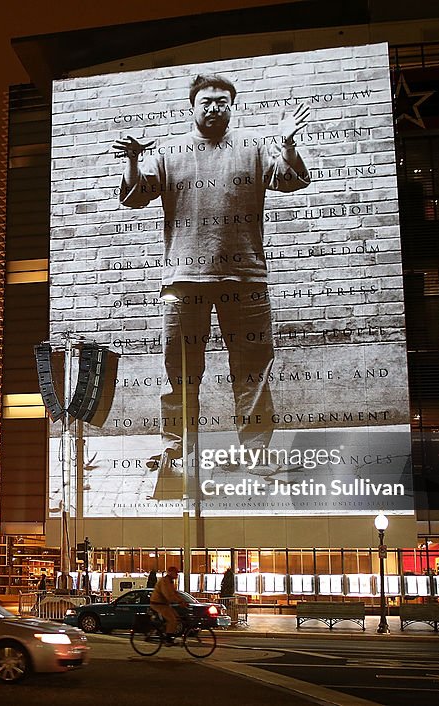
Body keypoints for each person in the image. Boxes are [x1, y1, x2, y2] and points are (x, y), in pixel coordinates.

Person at [114, 73, 312, 479]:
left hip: (246, 279)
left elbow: (290, 181)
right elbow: (134, 197)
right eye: (206, 101)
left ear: (231, 106)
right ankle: (176, 453)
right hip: (184, 281)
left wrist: (289, 145)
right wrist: (133, 160)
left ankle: (256, 453)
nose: (214, 107)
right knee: (181, 373)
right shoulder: (169, 153)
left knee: (253, 369)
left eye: (222, 101)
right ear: (193, 106)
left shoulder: (254, 148)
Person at [149, 566, 182, 641]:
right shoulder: (164, 581)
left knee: (177, 617)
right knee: (172, 620)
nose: (177, 574)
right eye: (176, 573)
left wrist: (182, 601)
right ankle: (168, 640)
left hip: (164, 604)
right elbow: (168, 595)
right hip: (158, 604)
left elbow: (175, 593)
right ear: (170, 573)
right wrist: (179, 601)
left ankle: (163, 631)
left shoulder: (170, 581)